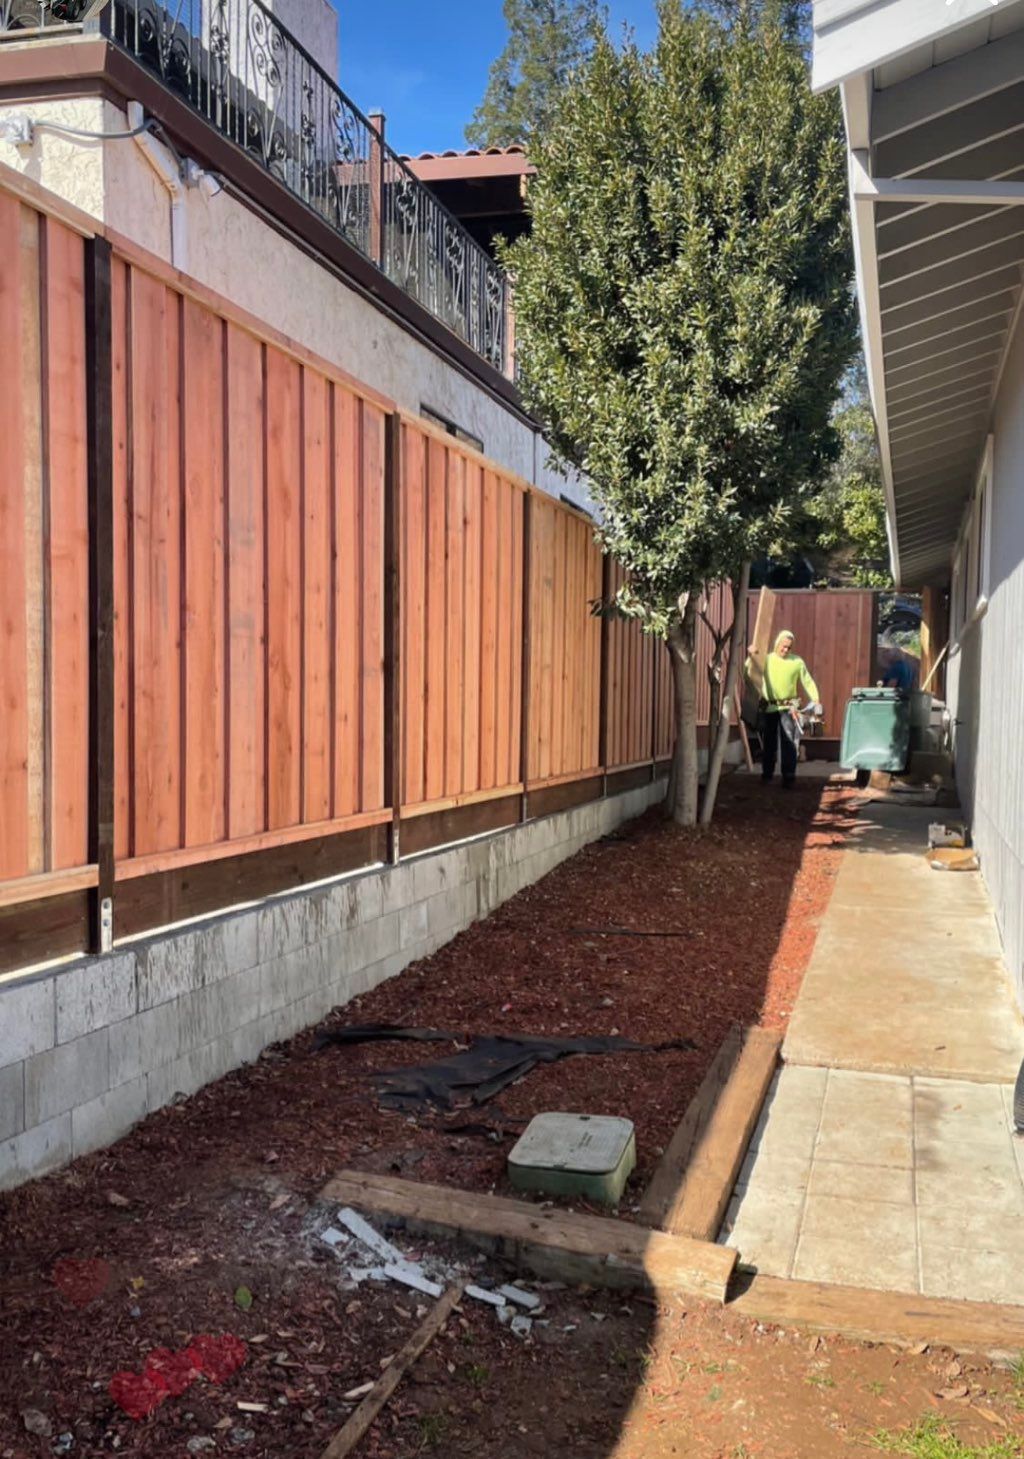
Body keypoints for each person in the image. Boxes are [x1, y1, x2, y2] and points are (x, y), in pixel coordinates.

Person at [749, 630, 821, 787]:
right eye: (783, 646)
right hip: (770, 707)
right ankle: (767, 774)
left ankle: (789, 777)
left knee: (789, 742)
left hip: (789, 708)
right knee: (769, 743)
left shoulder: (797, 662)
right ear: (777, 644)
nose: (785, 650)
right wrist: (752, 656)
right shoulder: (767, 660)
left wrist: (815, 699)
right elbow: (749, 671)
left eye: (789, 648)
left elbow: (807, 681)